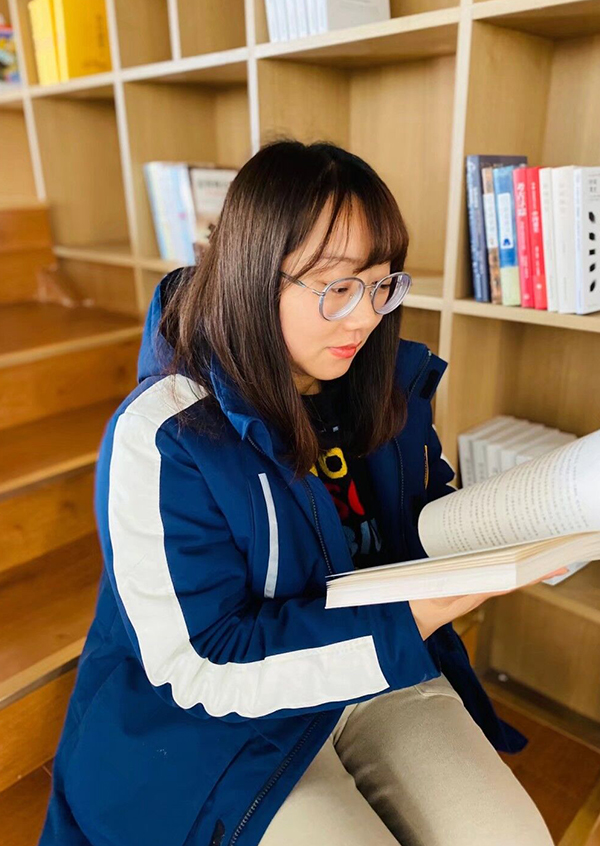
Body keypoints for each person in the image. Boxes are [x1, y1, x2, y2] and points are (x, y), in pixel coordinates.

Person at [38, 139, 566, 846]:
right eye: (336, 287)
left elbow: (416, 520)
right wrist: (413, 618)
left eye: (381, 284)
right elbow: (201, 662)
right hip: (220, 727)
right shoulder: (166, 435)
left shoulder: (381, 383)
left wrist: (513, 531)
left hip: (376, 671)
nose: (366, 317)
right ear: (255, 277)